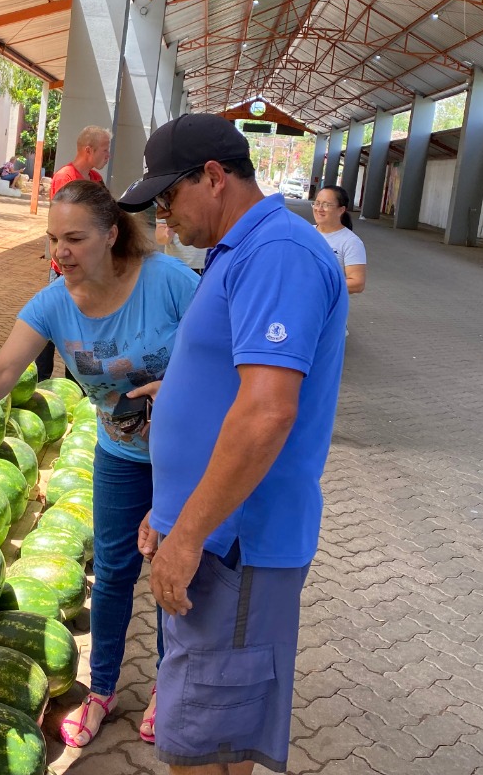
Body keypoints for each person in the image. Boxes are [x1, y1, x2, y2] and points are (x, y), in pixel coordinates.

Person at [0, 179, 199, 749]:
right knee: (111, 575)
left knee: (170, 572)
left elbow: (229, 348)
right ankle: (103, 691)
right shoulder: (54, 303)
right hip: (120, 455)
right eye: (53, 239)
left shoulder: (170, 283)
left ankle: (169, 688)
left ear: (111, 234)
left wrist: (183, 385)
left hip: (184, 460)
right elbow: (2, 370)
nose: (60, 252)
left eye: (75, 238)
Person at [117, 112, 348, 775]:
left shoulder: (279, 255)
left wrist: (187, 535)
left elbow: (267, 413)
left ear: (213, 178)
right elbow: (226, 390)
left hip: (234, 550)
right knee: (208, 740)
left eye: (168, 198)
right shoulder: (240, 252)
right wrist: (170, 509)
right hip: (213, 538)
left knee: (202, 751)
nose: (165, 218)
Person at [35, 125, 113, 379]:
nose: (107, 155)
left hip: (89, 271)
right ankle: (40, 377)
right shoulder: (65, 177)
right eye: (105, 150)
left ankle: (78, 383)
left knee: (81, 330)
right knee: (51, 322)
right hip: (65, 272)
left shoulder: (96, 180)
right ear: (88, 150)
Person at [312, 185, 366, 294]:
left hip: (327, 308)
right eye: (317, 203)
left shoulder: (351, 242)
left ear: (341, 210)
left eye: (326, 205)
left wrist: (318, 285)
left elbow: (357, 283)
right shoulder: (305, 232)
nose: (319, 209)